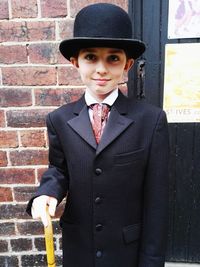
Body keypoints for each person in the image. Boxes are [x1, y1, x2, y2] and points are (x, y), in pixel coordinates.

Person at [27, 3, 169, 267]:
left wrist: (151, 261)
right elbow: (59, 170)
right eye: (91, 57)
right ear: (75, 62)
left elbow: (157, 201)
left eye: (113, 58)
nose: (101, 69)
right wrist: (47, 193)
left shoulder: (151, 121)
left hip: (127, 251)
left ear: (127, 63)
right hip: (79, 247)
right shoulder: (59, 119)